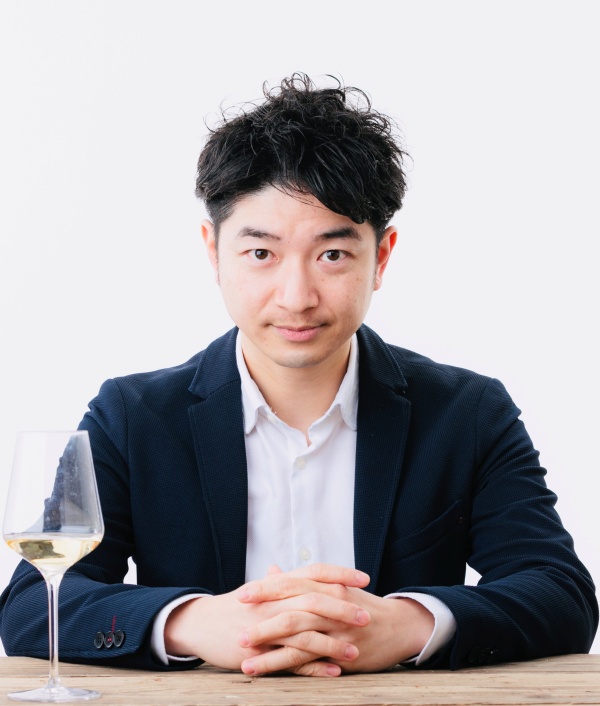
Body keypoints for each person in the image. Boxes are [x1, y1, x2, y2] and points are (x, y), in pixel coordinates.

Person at [1, 74, 597, 677]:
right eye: (261, 253)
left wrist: (404, 625)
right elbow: (29, 606)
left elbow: (560, 592)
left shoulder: (467, 412)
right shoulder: (132, 416)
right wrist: (192, 622)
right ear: (213, 252)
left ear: (381, 257)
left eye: (332, 254)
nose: (296, 296)